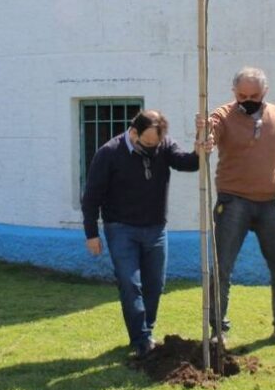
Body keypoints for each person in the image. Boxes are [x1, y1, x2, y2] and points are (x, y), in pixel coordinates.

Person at [82, 110, 208, 358]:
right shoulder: (109, 153)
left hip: (156, 228)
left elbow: (189, 163)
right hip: (120, 229)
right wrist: (91, 234)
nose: (153, 149)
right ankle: (141, 339)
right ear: (133, 133)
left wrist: (199, 148)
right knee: (130, 284)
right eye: (148, 143)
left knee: (155, 284)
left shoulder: (164, 145)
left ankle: (146, 332)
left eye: (156, 144)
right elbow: (91, 196)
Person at [208, 66, 275, 345]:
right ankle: (218, 330)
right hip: (232, 202)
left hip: (269, 204)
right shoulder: (222, 115)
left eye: (254, 96)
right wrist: (206, 135)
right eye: (242, 96)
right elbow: (210, 134)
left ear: (265, 92)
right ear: (234, 92)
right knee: (223, 268)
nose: (247, 100)